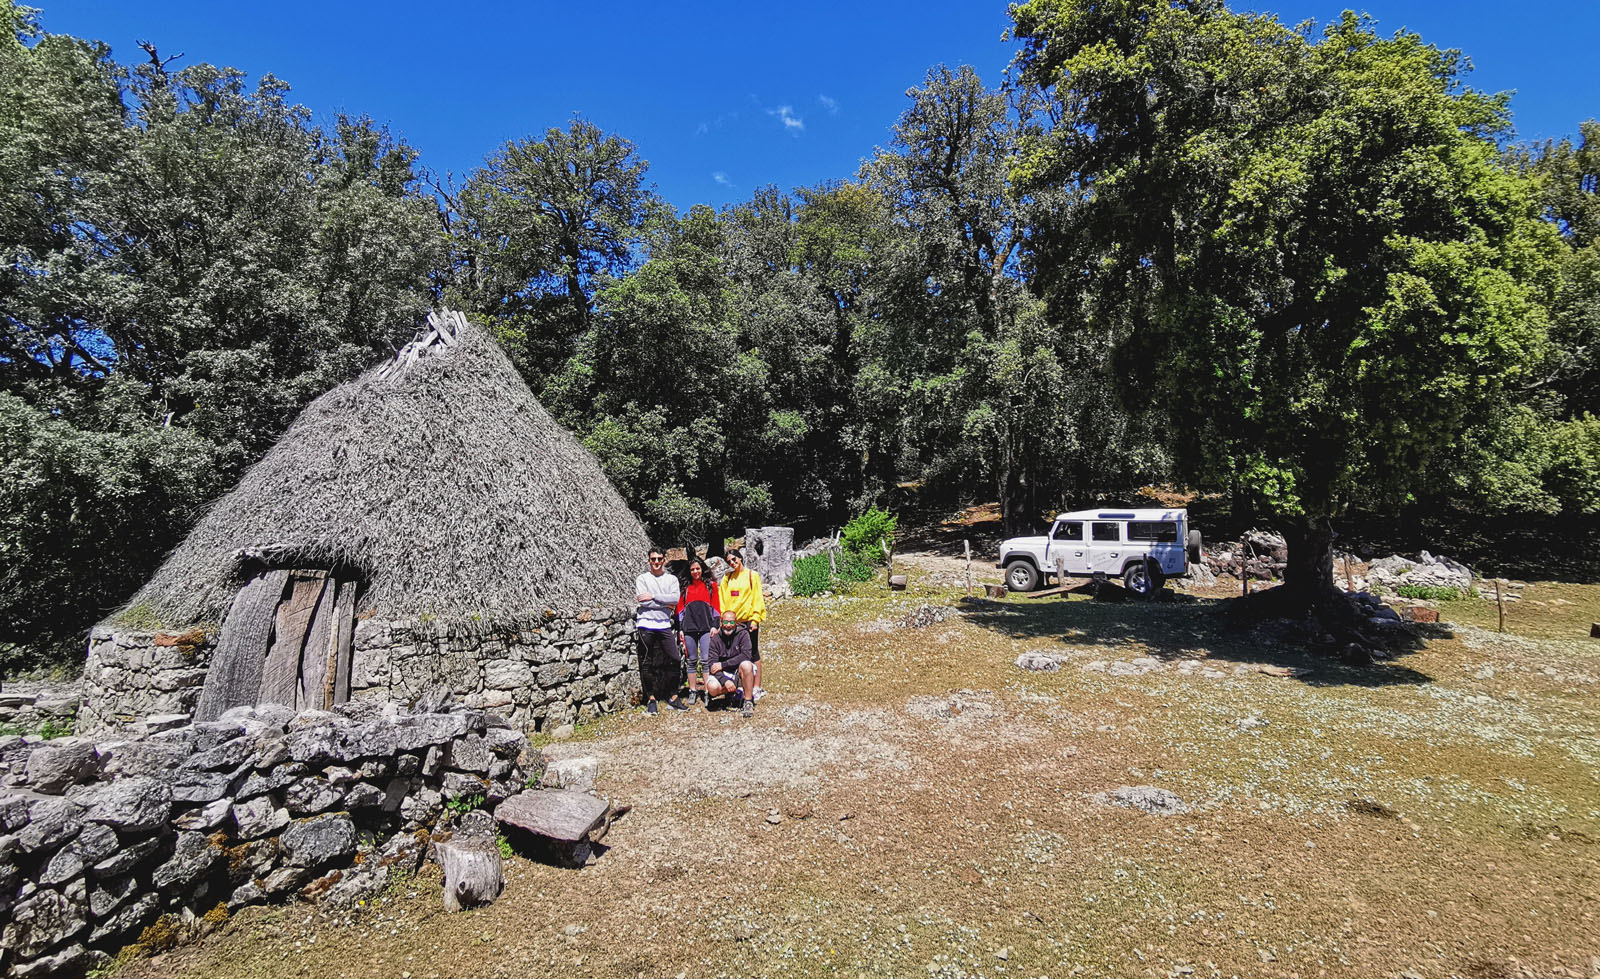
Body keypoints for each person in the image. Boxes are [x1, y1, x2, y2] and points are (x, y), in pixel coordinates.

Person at [635, 547, 686, 714]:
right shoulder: (642, 578)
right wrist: (665, 602)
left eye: (659, 559)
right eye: (653, 559)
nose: (656, 562)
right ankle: (651, 699)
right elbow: (643, 602)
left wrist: (654, 596)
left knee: (674, 659)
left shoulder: (671, 579)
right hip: (645, 624)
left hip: (664, 624)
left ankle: (673, 697)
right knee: (647, 662)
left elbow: (675, 599)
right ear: (649, 560)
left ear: (664, 560)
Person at [716, 547, 768, 701]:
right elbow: (723, 599)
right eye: (729, 561)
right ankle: (742, 686)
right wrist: (724, 620)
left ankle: (757, 687)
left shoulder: (752, 576)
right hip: (732, 623)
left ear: (740, 558)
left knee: (753, 652)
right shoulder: (727, 578)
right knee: (735, 653)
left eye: (734, 559)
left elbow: (757, 597)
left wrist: (755, 618)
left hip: (747, 620)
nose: (732, 563)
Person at [674, 557, 720, 706]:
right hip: (689, 628)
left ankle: (707, 691)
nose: (695, 572)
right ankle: (692, 691)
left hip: (707, 627)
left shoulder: (711, 586)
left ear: (702, 569)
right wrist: (680, 628)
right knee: (691, 660)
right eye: (692, 569)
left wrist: (715, 625)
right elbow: (679, 609)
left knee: (706, 660)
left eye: (697, 568)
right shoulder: (684, 588)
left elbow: (716, 607)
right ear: (689, 571)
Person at [704, 610, 756, 717]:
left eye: (732, 623)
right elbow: (712, 665)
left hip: (739, 672)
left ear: (736, 623)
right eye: (726, 622)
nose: (728, 625)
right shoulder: (715, 638)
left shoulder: (743, 634)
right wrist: (725, 681)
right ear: (721, 622)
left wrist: (723, 664)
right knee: (712, 687)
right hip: (723, 674)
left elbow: (746, 655)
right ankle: (729, 693)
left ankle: (748, 701)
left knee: (747, 665)